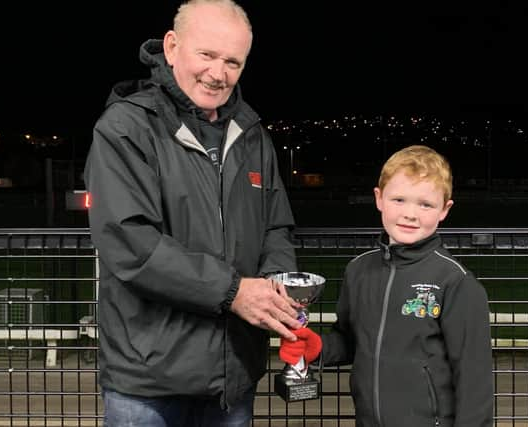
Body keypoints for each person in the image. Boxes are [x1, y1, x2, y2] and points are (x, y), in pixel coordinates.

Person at [84, 0, 302, 425]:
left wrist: (278, 286)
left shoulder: (253, 135)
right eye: (207, 55)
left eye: (233, 62)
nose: (218, 74)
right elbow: (133, 245)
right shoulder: (124, 127)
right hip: (146, 382)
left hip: (230, 378)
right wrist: (235, 291)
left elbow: (276, 226)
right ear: (171, 47)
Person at [280, 145, 494, 426]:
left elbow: (474, 379)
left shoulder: (455, 282)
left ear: (445, 209)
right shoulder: (358, 270)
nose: (410, 214)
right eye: (399, 200)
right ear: (379, 199)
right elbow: (351, 341)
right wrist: (318, 348)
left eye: (425, 204)